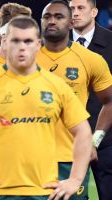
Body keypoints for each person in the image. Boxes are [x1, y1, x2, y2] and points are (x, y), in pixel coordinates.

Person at [0, 16, 92, 200]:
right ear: (5, 43)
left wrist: (75, 179)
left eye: (28, 41)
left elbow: (83, 132)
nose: (22, 46)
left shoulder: (56, 86)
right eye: (16, 40)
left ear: (38, 44)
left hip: (43, 192)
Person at [37, 1, 112, 199]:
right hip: (34, 153)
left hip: (96, 147)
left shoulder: (93, 57)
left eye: (59, 16)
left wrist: (94, 140)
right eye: (47, 17)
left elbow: (110, 100)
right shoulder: (24, 56)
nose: (52, 21)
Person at [69, 1, 112, 198]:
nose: (75, 13)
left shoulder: (111, 43)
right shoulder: (53, 45)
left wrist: (95, 140)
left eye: (80, 8)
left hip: (107, 141)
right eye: (71, 9)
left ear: (94, 12)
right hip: (65, 143)